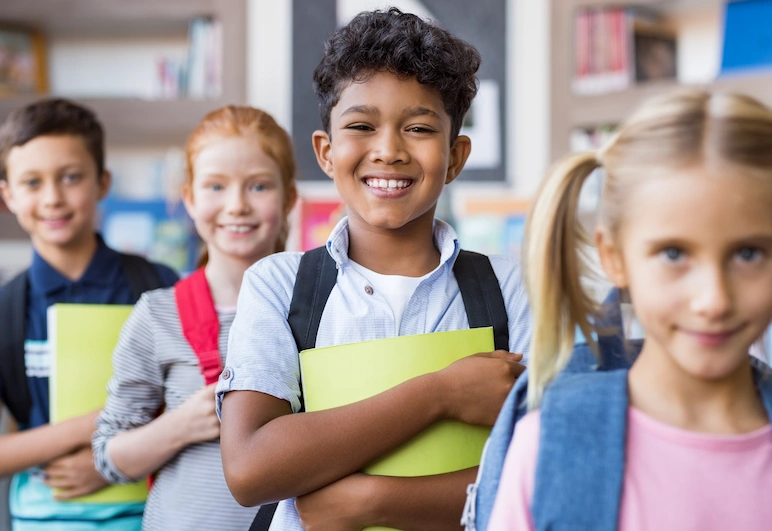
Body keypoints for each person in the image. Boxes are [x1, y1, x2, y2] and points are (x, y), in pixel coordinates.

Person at [217, 9, 532, 531]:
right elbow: (251, 468)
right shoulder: (279, 284)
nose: (388, 150)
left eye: (419, 128)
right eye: (361, 126)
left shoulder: (511, 286)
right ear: (326, 151)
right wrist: (442, 393)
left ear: (455, 157)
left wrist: (371, 501)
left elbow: (539, 468)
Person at [488, 90, 772, 531]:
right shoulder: (550, 450)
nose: (714, 300)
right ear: (614, 257)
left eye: (750, 254)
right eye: (674, 254)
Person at [0, 98, 179, 530]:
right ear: (7, 195)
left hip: (156, 515)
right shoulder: (0, 312)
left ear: (102, 182)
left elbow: (196, 406)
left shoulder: (161, 287)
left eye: (70, 177)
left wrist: (110, 461)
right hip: (42, 519)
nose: (52, 198)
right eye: (32, 182)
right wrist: (95, 426)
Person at [92, 105, 298, 531]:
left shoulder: (324, 306)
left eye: (258, 186)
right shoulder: (156, 315)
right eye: (216, 186)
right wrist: (181, 425)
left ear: (289, 197)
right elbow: (110, 457)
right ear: (189, 198)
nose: (237, 205)